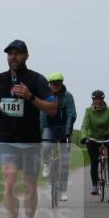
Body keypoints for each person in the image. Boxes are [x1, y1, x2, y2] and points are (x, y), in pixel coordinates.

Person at [0, 40, 57, 218]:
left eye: (17, 54)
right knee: (9, 183)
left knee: (29, 187)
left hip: (31, 141)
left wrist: (30, 97)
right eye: (10, 54)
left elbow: (52, 108)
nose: (13, 57)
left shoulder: (36, 79)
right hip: (6, 139)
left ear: (26, 56)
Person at [40, 72, 76, 202]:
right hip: (49, 128)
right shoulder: (45, 97)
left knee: (65, 162)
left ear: (61, 83)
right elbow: (43, 115)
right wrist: (42, 132)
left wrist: (67, 132)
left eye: (58, 83)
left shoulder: (68, 97)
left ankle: (63, 191)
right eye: (52, 83)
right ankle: (46, 163)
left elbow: (71, 115)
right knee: (45, 145)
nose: (55, 85)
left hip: (63, 129)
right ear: (49, 84)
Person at [79, 90, 109, 196]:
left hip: (105, 135)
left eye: (100, 99)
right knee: (94, 162)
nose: (98, 101)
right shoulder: (88, 111)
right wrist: (83, 137)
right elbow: (84, 126)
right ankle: (95, 186)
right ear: (92, 100)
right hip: (93, 138)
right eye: (95, 99)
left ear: (103, 99)